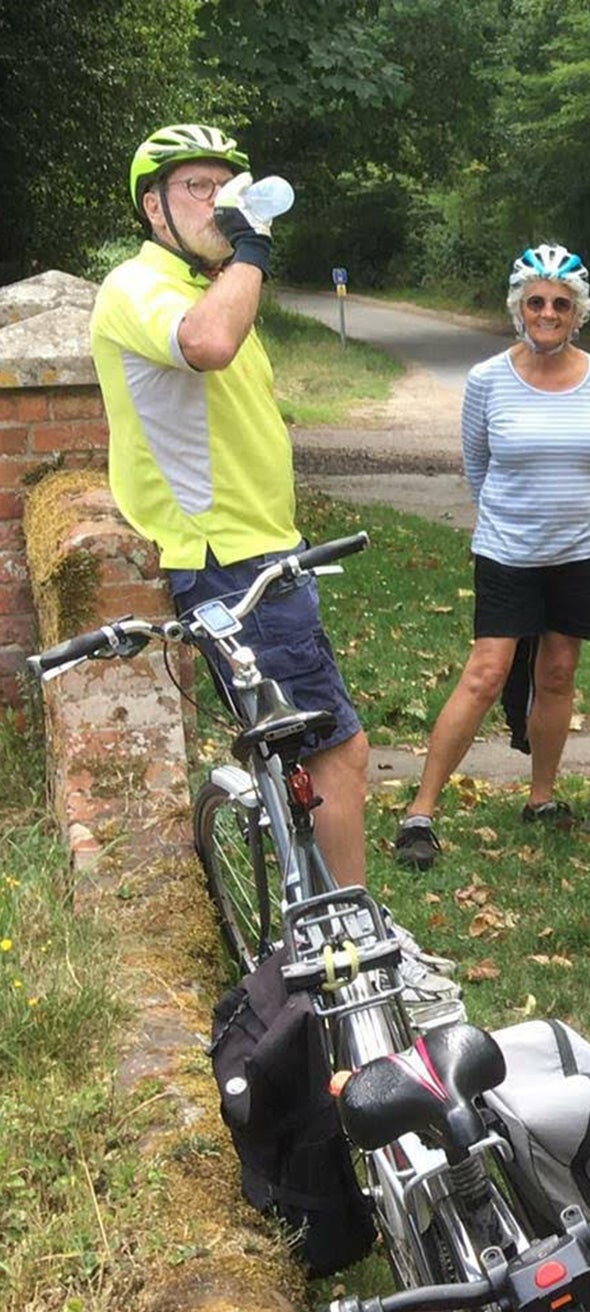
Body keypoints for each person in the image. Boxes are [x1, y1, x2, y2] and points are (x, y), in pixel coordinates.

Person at [89, 124, 368, 886]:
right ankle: (356, 942)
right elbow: (207, 345)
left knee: (301, 758)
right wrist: (252, 250)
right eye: (197, 189)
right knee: (337, 752)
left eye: (228, 188)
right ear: (154, 208)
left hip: (263, 550)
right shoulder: (136, 287)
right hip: (225, 561)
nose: (221, 205)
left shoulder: (203, 284)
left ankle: (321, 915)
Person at [393, 245, 590, 870]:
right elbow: (478, 466)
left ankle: (541, 798)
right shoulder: (488, 379)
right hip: (509, 550)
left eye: (560, 304)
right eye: (536, 302)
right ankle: (420, 811)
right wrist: (517, 516)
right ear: (519, 308)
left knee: (556, 674)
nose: (548, 313)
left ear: (578, 312)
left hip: (581, 550)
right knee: (486, 673)